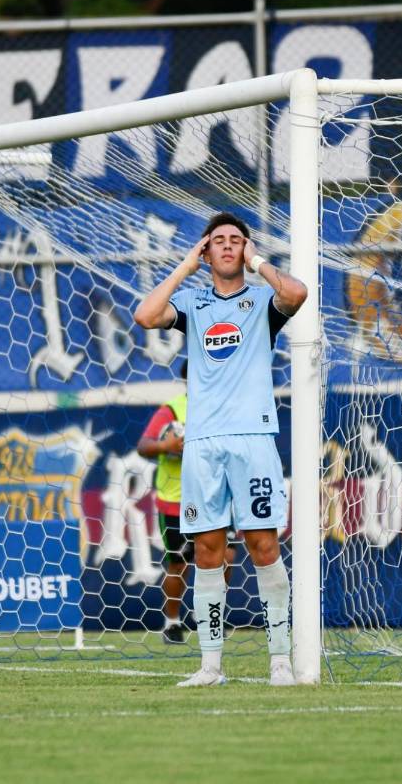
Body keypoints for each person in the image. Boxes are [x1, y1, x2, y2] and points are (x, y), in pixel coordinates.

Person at [134, 212, 307, 687]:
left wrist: (259, 262)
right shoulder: (191, 303)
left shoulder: (261, 300)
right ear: (206, 251)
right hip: (204, 445)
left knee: (262, 545)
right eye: (220, 242)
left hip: (253, 439)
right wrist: (185, 267)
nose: (229, 247)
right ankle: (210, 666)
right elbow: (146, 315)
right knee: (207, 552)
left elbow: (296, 294)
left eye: (237, 241)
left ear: (246, 249)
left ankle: (280, 662)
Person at [136, 361, 234, 645]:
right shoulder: (172, 411)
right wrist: (167, 446)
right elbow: (144, 446)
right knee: (179, 564)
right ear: (188, 379)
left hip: (214, 496)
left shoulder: (222, 407)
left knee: (226, 557)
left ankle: (215, 616)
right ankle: (172, 621)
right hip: (176, 501)